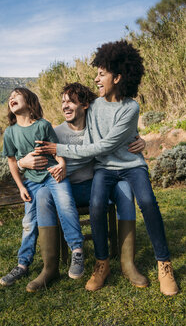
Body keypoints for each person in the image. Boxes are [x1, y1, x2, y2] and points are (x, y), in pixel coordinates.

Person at [38, 41, 179, 296]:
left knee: (147, 201)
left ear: (118, 76)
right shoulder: (94, 107)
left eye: (101, 74)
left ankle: (164, 264)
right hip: (104, 169)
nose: (96, 78)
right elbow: (91, 141)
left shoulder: (131, 107)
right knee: (96, 204)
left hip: (131, 165)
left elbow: (104, 145)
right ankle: (102, 263)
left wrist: (59, 150)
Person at [21, 82, 148, 293]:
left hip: (98, 185)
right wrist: (21, 163)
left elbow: (119, 139)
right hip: (67, 190)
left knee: (125, 188)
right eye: (63, 102)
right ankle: (49, 268)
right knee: (43, 194)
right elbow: (38, 160)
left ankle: (128, 263)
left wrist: (140, 141)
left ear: (86, 105)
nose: (65, 106)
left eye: (71, 101)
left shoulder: (97, 125)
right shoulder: (55, 132)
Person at [0, 87, 85, 289]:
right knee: (28, 222)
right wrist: (20, 186)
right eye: (10, 97)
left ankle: (77, 250)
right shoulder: (10, 132)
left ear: (30, 102)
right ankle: (23, 264)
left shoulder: (43, 126)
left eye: (16, 95)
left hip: (53, 175)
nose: (11, 98)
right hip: (30, 182)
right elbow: (12, 162)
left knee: (65, 203)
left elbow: (56, 151)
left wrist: (62, 164)